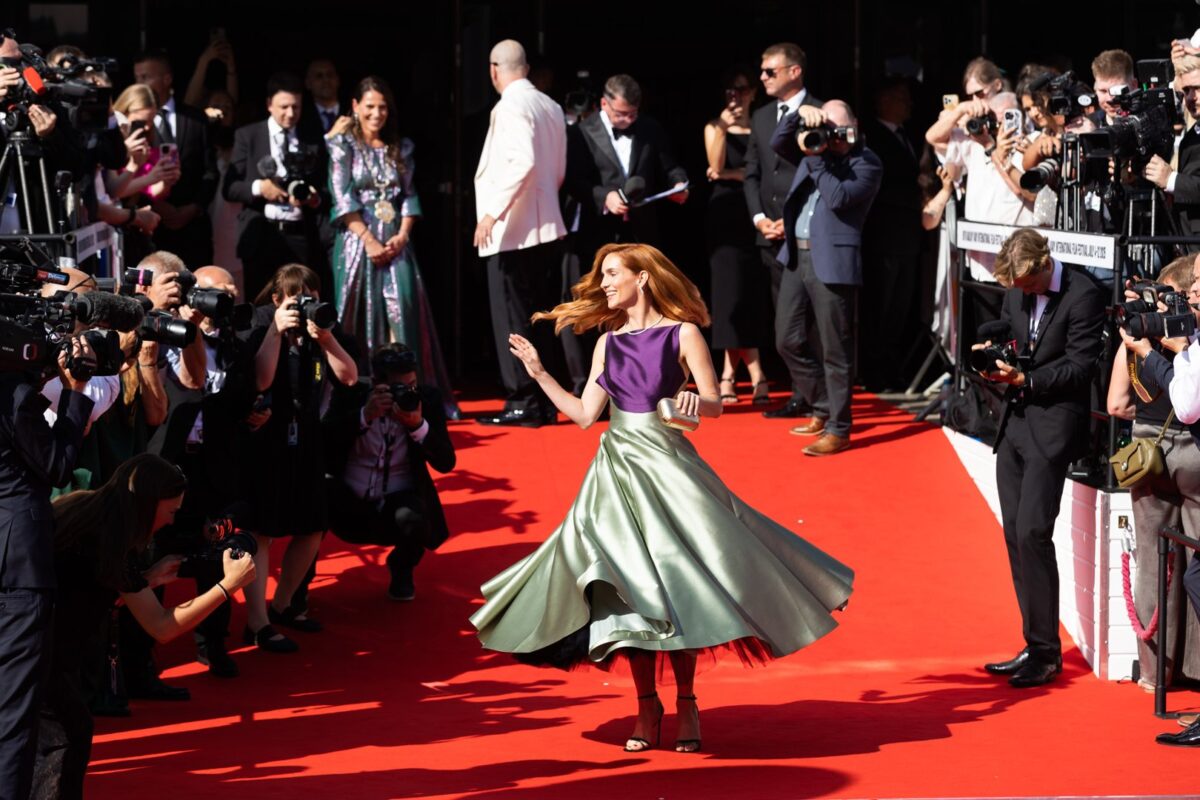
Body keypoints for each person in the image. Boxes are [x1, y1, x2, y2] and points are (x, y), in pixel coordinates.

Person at [470, 242, 854, 753]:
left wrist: (693, 402)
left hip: (670, 469)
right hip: (616, 475)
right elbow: (585, 416)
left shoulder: (683, 333)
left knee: (682, 585)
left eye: (613, 273)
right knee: (629, 592)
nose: (605, 284)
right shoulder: (607, 342)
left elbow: (714, 404)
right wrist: (539, 373)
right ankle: (647, 704)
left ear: (642, 278)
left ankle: (687, 702)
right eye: (602, 276)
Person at [32, 454, 256, 799]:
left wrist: (146, 579)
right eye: (171, 511)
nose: (171, 521)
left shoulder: (85, 508)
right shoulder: (111, 539)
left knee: (57, 735)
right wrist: (227, 587)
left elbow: (86, 583)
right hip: (41, 656)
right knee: (67, 736)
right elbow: (161, 627)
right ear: (148, 503)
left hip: (27, 643)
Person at [975, 229, 1105, 689]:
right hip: (1015, 425)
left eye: (1028, 284)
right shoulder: (1018, 290)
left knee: (1033, 531)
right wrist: (991, 353)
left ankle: (1047, 654)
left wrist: (1026, 381)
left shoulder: (1083, 294)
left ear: (1044, 265)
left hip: (1053, 427)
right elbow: (1012, 333)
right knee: (1015, 533)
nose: (1022, 292)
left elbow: (1081, 365)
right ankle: (1035, 644)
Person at [147, 266, 263, 677]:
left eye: (232, 291)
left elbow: (244, 395)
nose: (225, 300)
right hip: (167, 462)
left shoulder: (236, 342)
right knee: (155, 555)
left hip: (216, 466)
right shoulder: (164, 332)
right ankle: (141, 657)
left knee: (217, 553)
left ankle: (212, 645)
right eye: (217, 291)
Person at [328, 75, 459, 419]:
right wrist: (369, 240)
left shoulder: (401, 147)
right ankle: (360, 399)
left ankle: (409, 396)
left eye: (383, 107)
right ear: (355, 107)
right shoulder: (343, 146)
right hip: (357, 243)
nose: (377, 114)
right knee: (354, 317)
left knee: (404, 310)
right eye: (370, 106)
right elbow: (342, 198)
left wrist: (403, 234)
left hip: (397, 243)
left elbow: (409, 196)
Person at [244, 264, 357, 652]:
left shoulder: (319, 328)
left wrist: (326, 338)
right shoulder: (260, 323)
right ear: (277, 299)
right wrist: (276, 330)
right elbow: (261, 379)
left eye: (312, 297)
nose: (305, 305)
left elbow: (349, 377)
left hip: (307, 435)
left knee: (313, 525)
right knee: (262, 530)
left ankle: (283, 605)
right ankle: (256, 623)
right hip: (266, 437)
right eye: (297, 299)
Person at [0, 337, 94, 800]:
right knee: (14, 716)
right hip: (19, 570)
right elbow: (57, 465)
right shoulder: (12, 394)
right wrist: (75, 389)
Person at [1107, 257, 1200, 692]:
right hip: (1195, 454)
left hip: (1148, 453)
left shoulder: (1137, 336)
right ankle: (1196, 670)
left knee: (1152, 563)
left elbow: (1115, 405)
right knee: (1198, 561)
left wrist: (1146, 419)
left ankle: (1154, 673)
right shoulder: (1190, 340)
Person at [772, 100, 883, 455]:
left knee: (836, 349)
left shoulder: (867, 163)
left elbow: (838, 197)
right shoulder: (813, 146)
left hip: (833, 262)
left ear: (854, 125)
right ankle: (822, 405)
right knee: (786, 339)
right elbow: (778, 141)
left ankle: (839, 427)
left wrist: (817, 157)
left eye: (837, 129)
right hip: (796, 256)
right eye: (827, 128)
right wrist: (800, 115)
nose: (831, 136)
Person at [473, 39, 568, 428]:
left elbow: (522, 162)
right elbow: (557, 170)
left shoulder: (510, 106)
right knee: (538, 315)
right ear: (525, 68)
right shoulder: (550, 105)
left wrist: (491, 214)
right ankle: (543, 400)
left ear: (494, 70)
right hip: (545, 226)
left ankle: (523, 399)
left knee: (512, 317)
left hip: (512, 229)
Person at [324, 344, 456, 602]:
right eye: (398, 388)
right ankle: (298, 587)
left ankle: (402, 567)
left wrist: (418, 426)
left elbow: (446, 463)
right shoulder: (352, 394)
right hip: (349, 502)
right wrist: (364, 416)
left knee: (415, 517)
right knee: (318, 493)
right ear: (376, 383)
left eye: (412, 385)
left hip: (397, 503)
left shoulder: (426, 399)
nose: (406, 393)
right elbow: (323, 442)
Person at [745, 42, 822, 418]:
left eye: (770, 71)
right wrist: (760, 219)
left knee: (813, 321)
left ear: (795, 72)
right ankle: (800, 394)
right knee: (784, 319)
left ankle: (819, 399)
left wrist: (790, 222)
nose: (762, 77)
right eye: (762, 70)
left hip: (808, 234)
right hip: (770, 234)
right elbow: (752, 173)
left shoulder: (822, 113)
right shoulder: (760, 116)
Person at [223, 71, 329, 298]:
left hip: (301, 236)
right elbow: (230, 188)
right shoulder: (248, 135)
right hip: (261, 235)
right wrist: (260, 188)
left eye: (296, 107)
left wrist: (312, 198)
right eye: (284, 107)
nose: (290, 113)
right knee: (260, 302)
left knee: (300, 302)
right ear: (269, 104)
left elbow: (325, 189)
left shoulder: (313, 139)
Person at [565, 73, 688, 255]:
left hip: (642, 231)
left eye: (633, 114)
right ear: (604, 104)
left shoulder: (650, 128)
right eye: (621, 114)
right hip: (600, 231)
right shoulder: (581, 132)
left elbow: (670, 167)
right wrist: (605, 197)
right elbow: (573, 180)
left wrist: (678, 183)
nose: (629, 120)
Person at [705, 67, 771, 405]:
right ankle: (753, 375)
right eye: (731, 90)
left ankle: (730, 375)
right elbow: (715, 167)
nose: (736, 96)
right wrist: (723, 127)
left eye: (742, 89)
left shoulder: (761, 124)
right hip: (726, 216)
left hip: (756, 213)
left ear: (753, 93)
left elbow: (763, 172)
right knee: (729, 297)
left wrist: (735, 174)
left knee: (753, 294)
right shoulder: (714, 126)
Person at [859, 78, 924, 392]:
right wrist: (918, 195)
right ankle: (873, 371)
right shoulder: (871, 137)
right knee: (879, 308)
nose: (908, 104)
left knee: (900, 309)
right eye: (901, 97)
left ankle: (891, 368)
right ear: (884, 100)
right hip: (882, 238)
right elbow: (878, 186)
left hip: (908, 239)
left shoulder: (908, 136)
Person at [132, 49, 218, 269]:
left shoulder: (196, 119)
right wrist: (156, 205)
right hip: (151, 226)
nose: (140, 83)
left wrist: (193, 208)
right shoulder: (134, 122)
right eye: (137, 77)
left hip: (193, 228)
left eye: (146, 77)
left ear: (166, 79)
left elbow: (210, 171)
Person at [1144, 55, 1200, 250]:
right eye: (1186, 90)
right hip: (1187, 242)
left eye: (1197, 88)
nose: (1191, 97)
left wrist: (1171, 180)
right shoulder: (1192, 134)